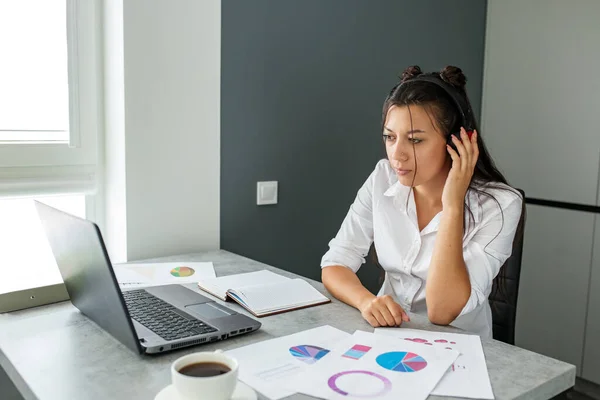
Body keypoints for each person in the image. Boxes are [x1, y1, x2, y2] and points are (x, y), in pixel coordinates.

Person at [320, 65, 523, 337]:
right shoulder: (383, 177)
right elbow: (335, 263)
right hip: (388, 338)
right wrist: (366, 301)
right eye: (390, 137)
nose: (397, 155)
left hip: (461, 351)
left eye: (415, 140)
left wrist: (452, 207)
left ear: (457, 141)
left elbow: (441, 311)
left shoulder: (500, 203)